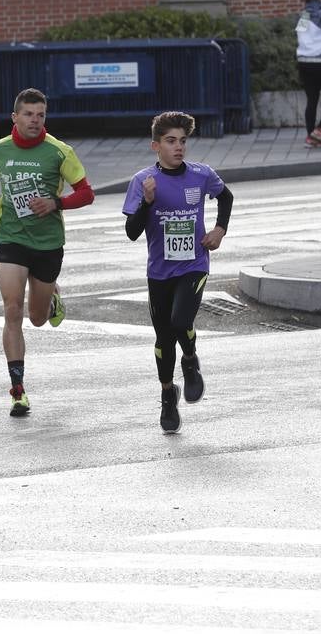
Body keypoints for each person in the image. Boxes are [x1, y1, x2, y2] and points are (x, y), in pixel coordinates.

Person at [0, 88, 95, 417]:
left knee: (37, 319)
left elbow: (87, 193)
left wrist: (55, 203)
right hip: (10, 238)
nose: (35, 120)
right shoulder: (1, 149)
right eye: (29, 115)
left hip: (48, 243)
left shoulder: (59, 152)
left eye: (41, 115)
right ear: (15, 117)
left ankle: (51, 296)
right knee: (11, 310)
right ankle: (18, 389)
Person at [122, 111, 233, 434]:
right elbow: (131, 232)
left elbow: (225, 196)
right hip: (159, 271)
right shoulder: (143, 181)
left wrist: (219, 230)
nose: (179, 147)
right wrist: (146, 202)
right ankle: (168, 394)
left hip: (194, 264)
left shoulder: (201, 175)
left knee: (181, 320)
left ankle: (191, 360)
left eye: (183, 141)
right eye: (171, 141)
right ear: (155, 146)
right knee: (163, 338)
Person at [296, 0, 321, 147]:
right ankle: (320, 129)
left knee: (312, 100)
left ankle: (311, 137)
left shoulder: (303, 15)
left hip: (304, 61)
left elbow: (300, 34)